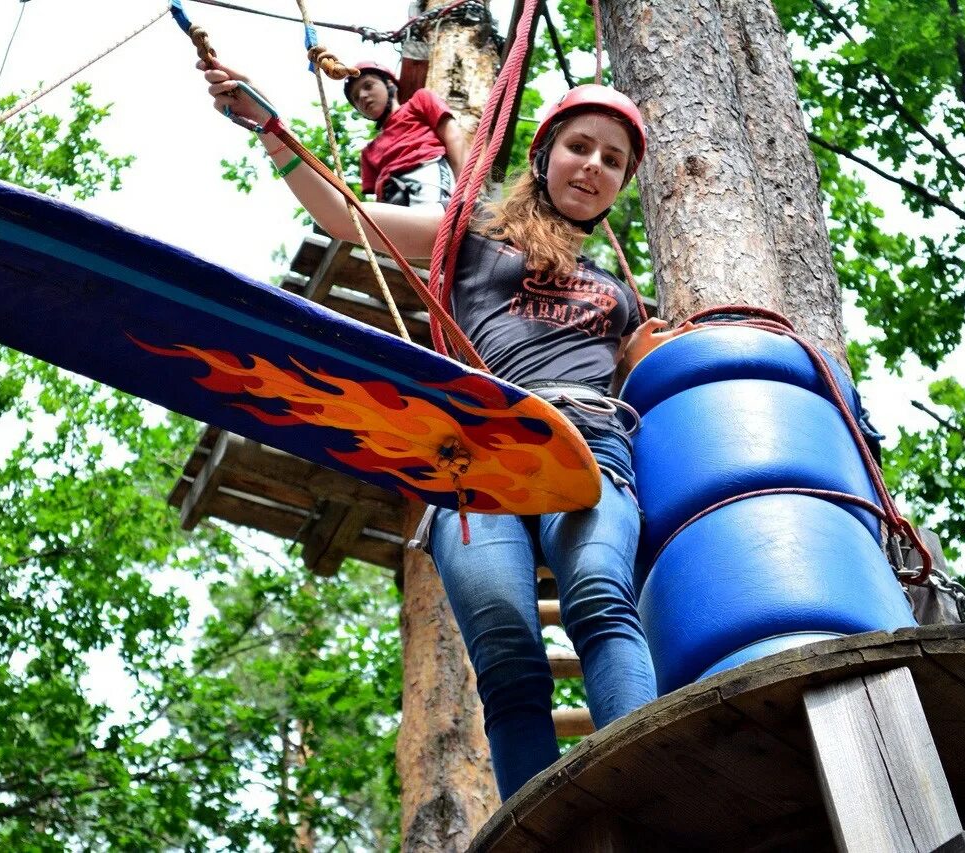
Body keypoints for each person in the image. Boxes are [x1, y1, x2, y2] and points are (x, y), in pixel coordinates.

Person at [204, 65, 689, 800]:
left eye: (612, 160)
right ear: (544, 154)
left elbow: (648, 387)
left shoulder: (621, 294)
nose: (593, 166)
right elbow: (346, 216)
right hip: (478, 452)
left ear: (620, 183)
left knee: (596, 591)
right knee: (505, 654)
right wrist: (269, 127)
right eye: (580, 147)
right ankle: (538, 828)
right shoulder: (469, 238)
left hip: (586, 439)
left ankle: (652, 792)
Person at [344, 62, 467, 208]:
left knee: (432, 224)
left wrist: (464, 188)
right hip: (391, 196)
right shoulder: (368, 152)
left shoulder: (419, 101)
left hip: (427, 173)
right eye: (356, 98)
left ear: (389, 84)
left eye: (368, 85)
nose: (363, 96)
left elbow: (453, 136)